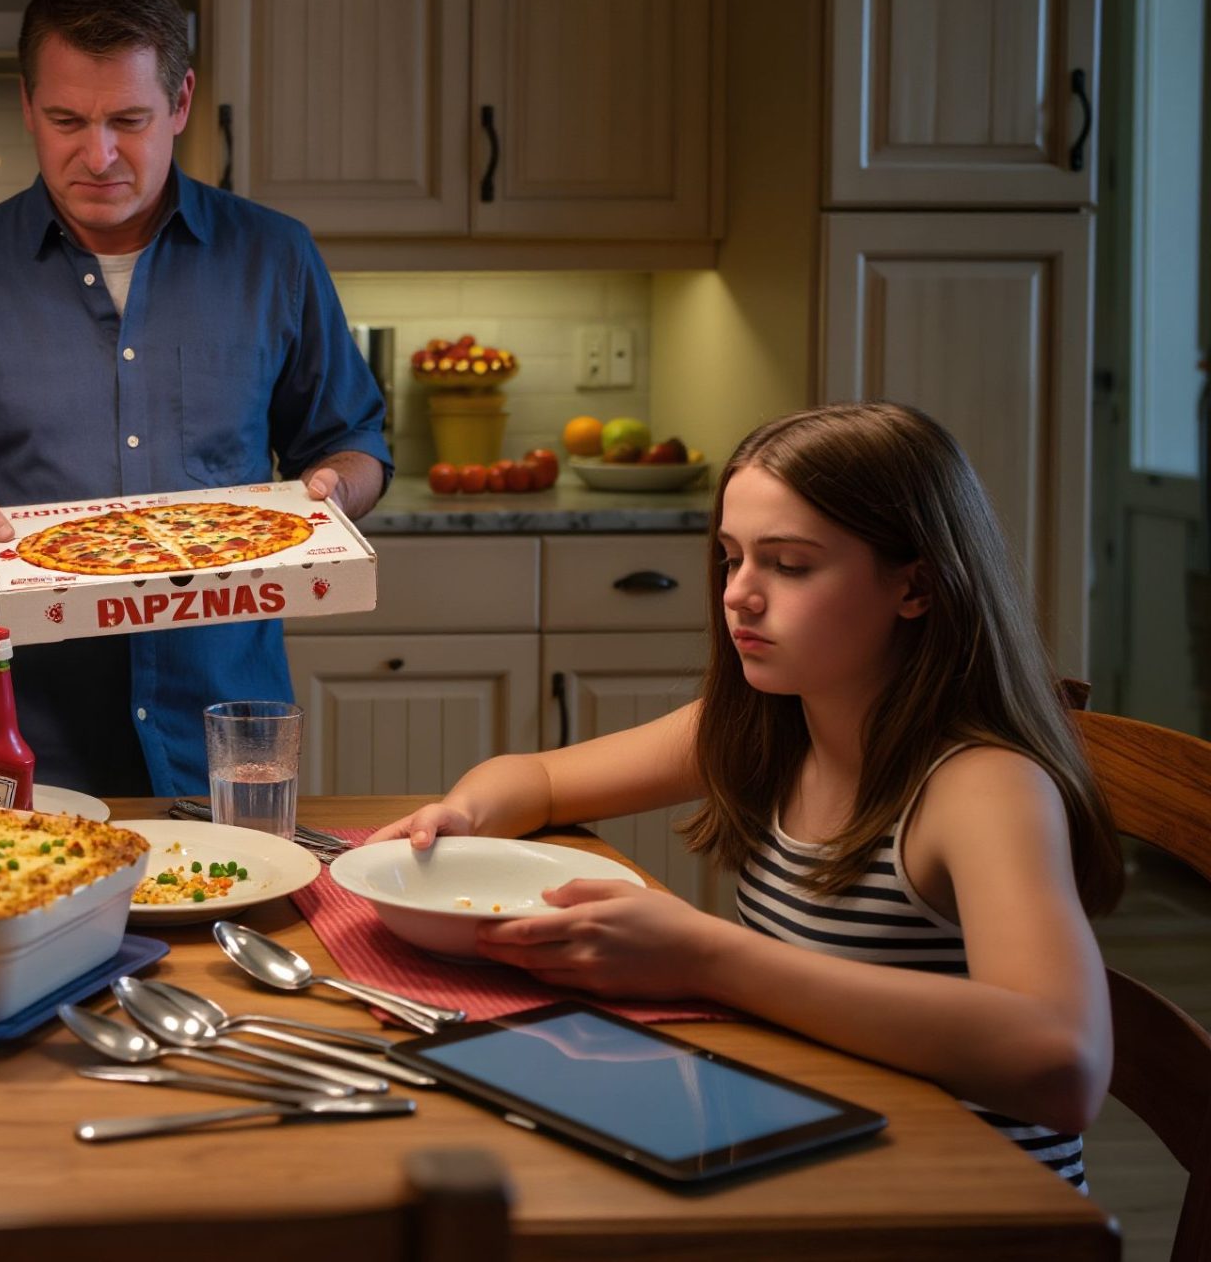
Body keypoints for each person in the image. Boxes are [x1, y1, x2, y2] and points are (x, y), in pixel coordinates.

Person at [377, 402, 1120, 1189]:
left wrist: (704, 955)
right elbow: (541, 778)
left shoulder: (980, 786)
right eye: (731, 559)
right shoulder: (772, 725)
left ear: (917, 586)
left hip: (958, 1208)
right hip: (808, 1150)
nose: (739, 594)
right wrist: (464, 813)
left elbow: (1063, 1065)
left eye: (790, 565)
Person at [0, 0, 391, 798]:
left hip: (227, 728)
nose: (98, 155)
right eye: (66, 119)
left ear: (180, 105)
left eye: (129, 120)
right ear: (26, 106)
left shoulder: (274, 256)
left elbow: (354, 441)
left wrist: (332, 492)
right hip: (25, 733)